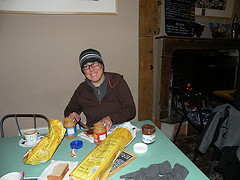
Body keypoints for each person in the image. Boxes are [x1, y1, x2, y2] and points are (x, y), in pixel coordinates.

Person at [64, 48, 136, 131]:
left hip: (118, 129)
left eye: (94, 63)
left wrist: (111, 118)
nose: (91, 69)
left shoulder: (117, 81)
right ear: (83, 71)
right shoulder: (82, 90)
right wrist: (72, 115)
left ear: (102, 65)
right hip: (94, 133)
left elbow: (131, 110)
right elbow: (69, 110)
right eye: (86, 66)